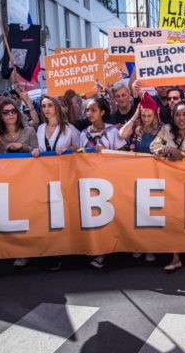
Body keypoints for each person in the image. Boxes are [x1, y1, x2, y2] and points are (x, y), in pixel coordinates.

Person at [150, 102, 185, 271]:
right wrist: (167, 150)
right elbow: (153, 146)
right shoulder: (166, 130)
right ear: (173, 117)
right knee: (172, 219)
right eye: (178, 115)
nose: (181, 118)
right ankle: (175, 257)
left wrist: (179, 153)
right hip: (169, 181)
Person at [81, 97, 127, 270]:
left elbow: (123, 154)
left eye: (93, 110)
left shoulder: (112, 132)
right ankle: (101, 251)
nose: (89, 113)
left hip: (111, 181)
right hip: (91, 182)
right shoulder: (83, 133)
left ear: (102, 112)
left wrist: (106, 153)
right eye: (87, 110)